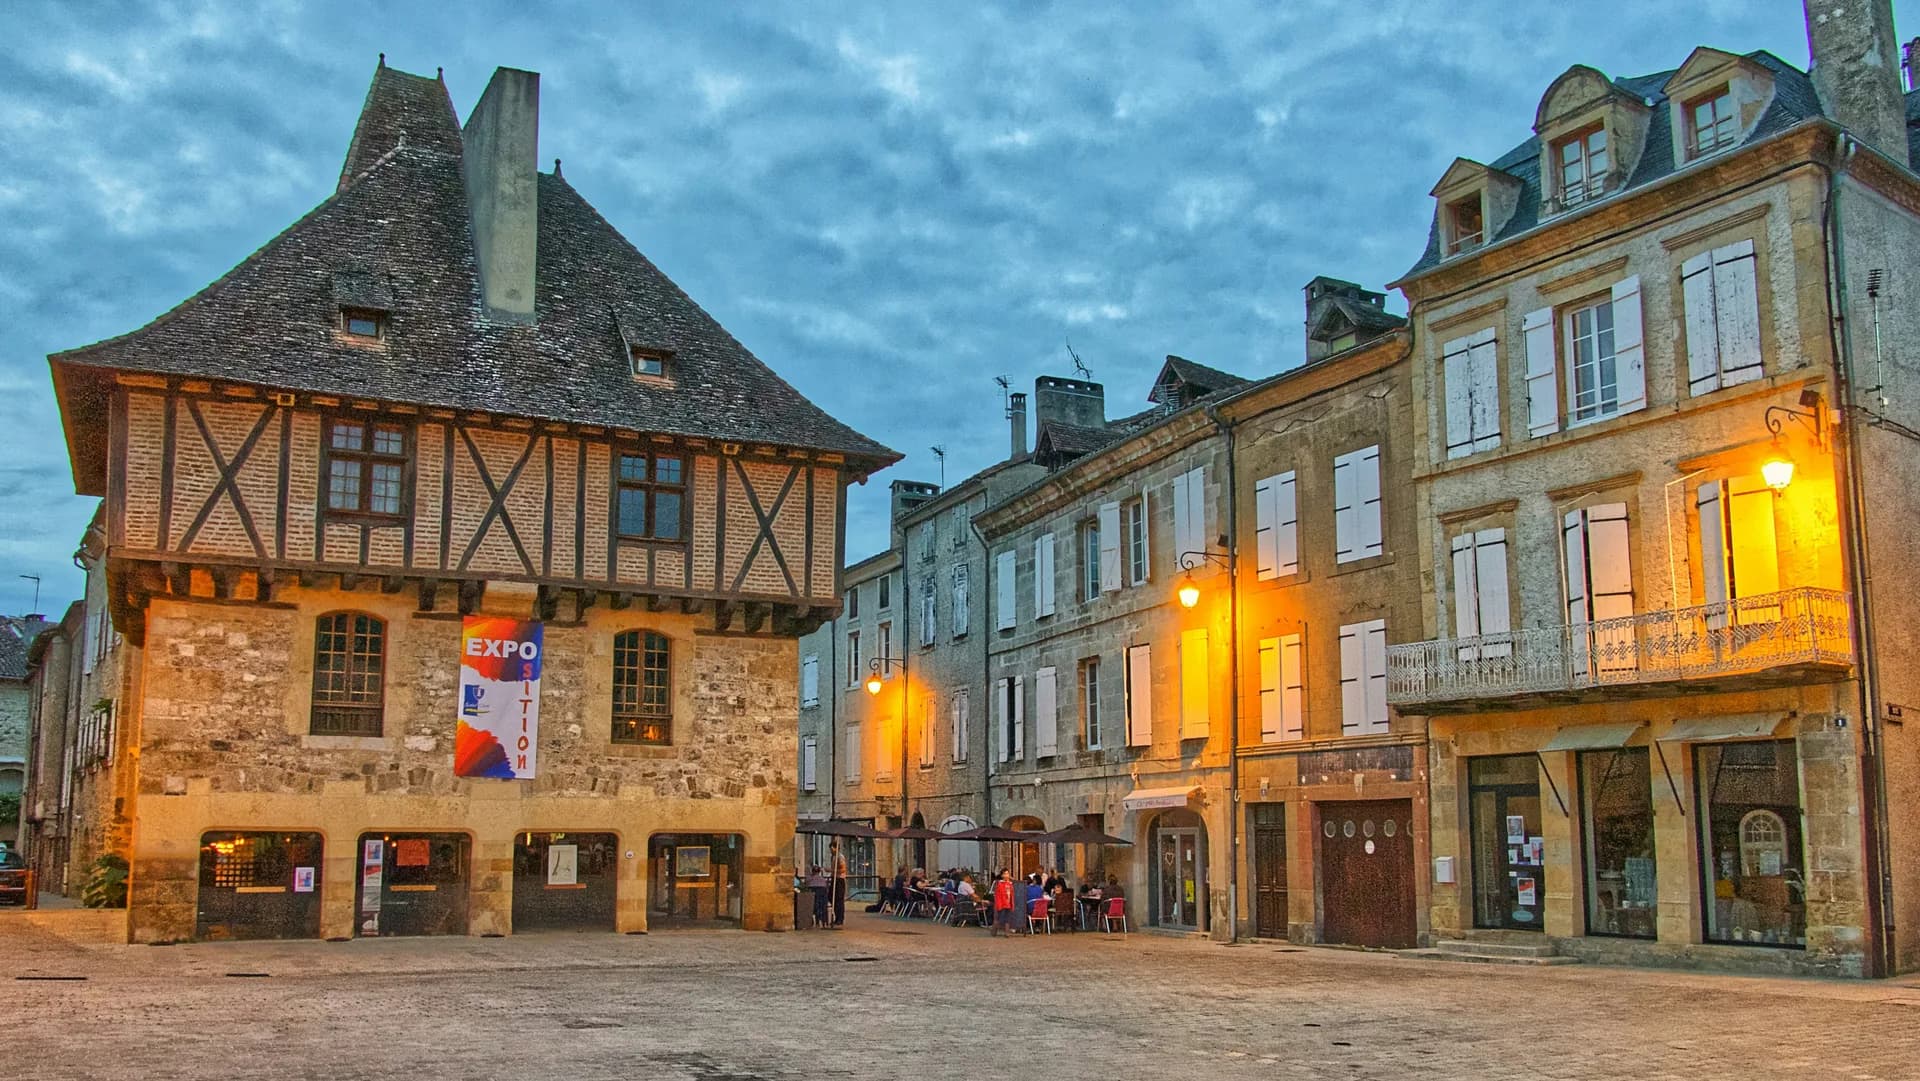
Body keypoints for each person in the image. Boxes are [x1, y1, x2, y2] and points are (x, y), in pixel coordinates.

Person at [991, 870, 1017, 936]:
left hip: (1008, 904)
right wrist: (998, 905)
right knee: (998, 918)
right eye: (1005, 874)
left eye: (1007, 874)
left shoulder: (1010, 884)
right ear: (1002, 875)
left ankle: (1007, 933)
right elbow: (998, 896)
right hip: (1001, 904)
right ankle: (994, 931)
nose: (1006, 875)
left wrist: (1012, 904)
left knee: (1007, 919)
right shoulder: (999, 884)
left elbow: (1012, 895)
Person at [830, 842, 849, 928]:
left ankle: (839, 918)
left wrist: (832, 871)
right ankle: (837, 916)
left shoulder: (840, 857)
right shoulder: (833, 857)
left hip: (839, 879)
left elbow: (843, 869)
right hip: (834, 879)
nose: (830, 850)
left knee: (839, 900)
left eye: (831, 848)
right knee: (831, 897)